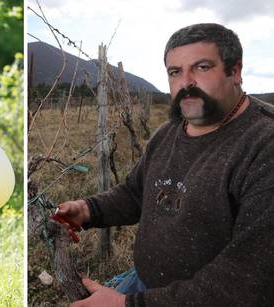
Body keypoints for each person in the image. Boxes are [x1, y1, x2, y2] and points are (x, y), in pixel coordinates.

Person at [56, 23, 274, 307]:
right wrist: (88, 210)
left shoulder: (263, 146)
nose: (186, 83)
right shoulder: (170, 131)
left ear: (235, 71)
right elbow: (136, 193)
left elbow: (245, 281)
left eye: (202, 67)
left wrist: (127, 305)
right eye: (175, 72)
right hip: (145, 285)